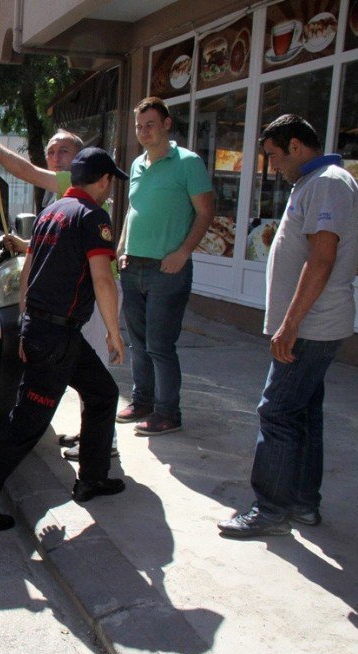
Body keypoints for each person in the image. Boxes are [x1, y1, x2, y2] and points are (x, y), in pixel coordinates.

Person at [0, 148, 128, 532]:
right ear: (102, 181)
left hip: (50, 332)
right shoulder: (92, 216)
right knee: (25, 426)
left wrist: (24, 324)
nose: (108, 188)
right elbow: (103, 279)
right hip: (56, 339)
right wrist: (115, 334)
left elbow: (29, 271)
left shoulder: (51, 213)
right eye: (109, 182)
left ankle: (92, 477)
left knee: (102, 393)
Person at [218, 115, 358, 538]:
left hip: (312, 326)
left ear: (297, 146)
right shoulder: (313, 183)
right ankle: (301, 504)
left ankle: (271, 509)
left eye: (275, 156)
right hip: (310, 325)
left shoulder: (328, 183)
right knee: (302, 413)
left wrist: (289, 325)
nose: (272, 166)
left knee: (276, 411)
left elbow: (321, 260)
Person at [0, 123, 120, 461]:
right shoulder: (67, 198)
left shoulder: (74, 185)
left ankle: (102, 440)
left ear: (80, 158)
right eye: (51, 151)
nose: (54, 158)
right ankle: (92, 438)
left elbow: (23, 170)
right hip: (76, 303)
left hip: (96, 297)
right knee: (91, 378)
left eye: (63, 151)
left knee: (96, 373)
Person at [117, 97, 215, 436]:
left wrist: (183, 252)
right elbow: (133, 211)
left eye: (150, 125)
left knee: (159, 344)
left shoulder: (188, 162)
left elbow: (205, 212)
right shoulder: (138, 165)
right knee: (138, 343)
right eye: (139, 126)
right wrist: (121, 249)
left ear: (167, 124)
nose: (144, 132)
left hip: (167, 270)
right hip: (133, 267)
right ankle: (142, 400)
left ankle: (168, 412)